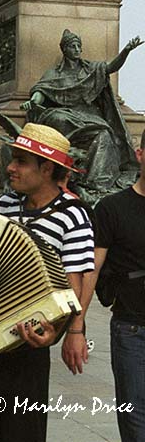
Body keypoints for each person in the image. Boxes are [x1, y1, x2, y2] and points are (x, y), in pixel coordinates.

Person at [0, 123, 95, 442]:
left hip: (31, 340)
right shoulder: (8, 204)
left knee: (22, 432)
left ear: (46, 169)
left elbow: (76, 281)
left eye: (20, 161)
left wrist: (67, 330)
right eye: (13, 159)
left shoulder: (74, 215)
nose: (10, 167)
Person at [21, 29, 143, 198]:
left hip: (89, 116)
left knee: (104, 133)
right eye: (73, 46)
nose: (78, 49)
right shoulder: (55, 74)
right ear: (65, 49)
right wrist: (33, 101)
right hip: (63, 113)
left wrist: (126, 51)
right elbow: (42, 90)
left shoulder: (90, 69)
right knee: (58, 118)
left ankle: (96, 182)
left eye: (79, 46)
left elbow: (110, 67)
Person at [93, 130, 145, 442]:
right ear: (139, 155)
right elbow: (92, 269)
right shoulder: (111, 208)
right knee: (136, 423)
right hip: (132, 330)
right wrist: (76, 326)